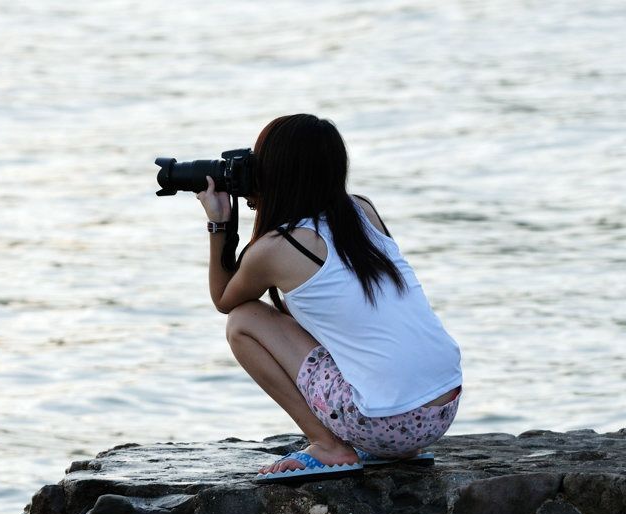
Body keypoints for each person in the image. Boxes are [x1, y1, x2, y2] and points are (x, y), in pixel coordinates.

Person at [194, 114, 462, 481]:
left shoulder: (277, 247)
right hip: (440, 411)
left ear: (274, 172)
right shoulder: (362, 210)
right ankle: (381, 440)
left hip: (384, 423)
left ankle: (328, 445)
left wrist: (219, 224)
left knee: (242, 321)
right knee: (305, 309)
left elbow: (225, 299)